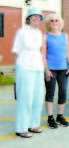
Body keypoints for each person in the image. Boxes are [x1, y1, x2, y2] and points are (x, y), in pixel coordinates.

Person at [11, 8, 44, 138]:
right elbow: (15, 51)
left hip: (38, 67)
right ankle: (21, 128)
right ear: (28, 18)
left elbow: (39, 50)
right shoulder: (21, 32)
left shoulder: (39, 32)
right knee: (25, 98)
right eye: (33, 16)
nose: (36, 18)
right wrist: (17, 68)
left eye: (38, 16)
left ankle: (33, 125)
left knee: (38, 97)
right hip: (24, 67)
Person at [43, 14, 69, 128]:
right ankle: (50, 117)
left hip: (63, 68)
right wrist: (46, 69)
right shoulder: (45, 36)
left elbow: (67, 52)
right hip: (51, 69)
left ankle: (60, 116)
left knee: (63, 92)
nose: (54, 22)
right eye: (52, 20)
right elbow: (43, 54)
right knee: (50, 93)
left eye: (56, 20)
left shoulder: (65, 35)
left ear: (60, 22)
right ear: (48, 23)